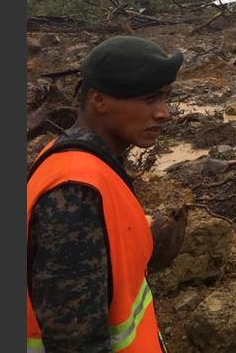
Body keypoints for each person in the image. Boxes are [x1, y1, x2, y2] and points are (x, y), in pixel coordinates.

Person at [27, 36, 183, 352]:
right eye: (150, 99)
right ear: (99, 101)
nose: (164, 112)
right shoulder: (74, 192)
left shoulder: (84, 160)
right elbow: (75, 341)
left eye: (166, 97)